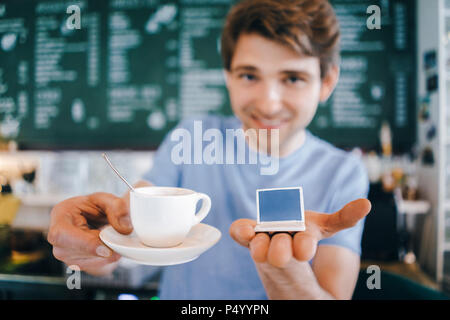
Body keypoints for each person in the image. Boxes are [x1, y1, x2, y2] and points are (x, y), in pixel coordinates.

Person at [47, 0, 371, 300]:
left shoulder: (343, 173)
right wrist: (93, 242)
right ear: (228, 77)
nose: (269, 103)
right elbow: (116, 254)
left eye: (293, 78)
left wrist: (284, 271)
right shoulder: (193, 137)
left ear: (327, 82)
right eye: (249, 75)